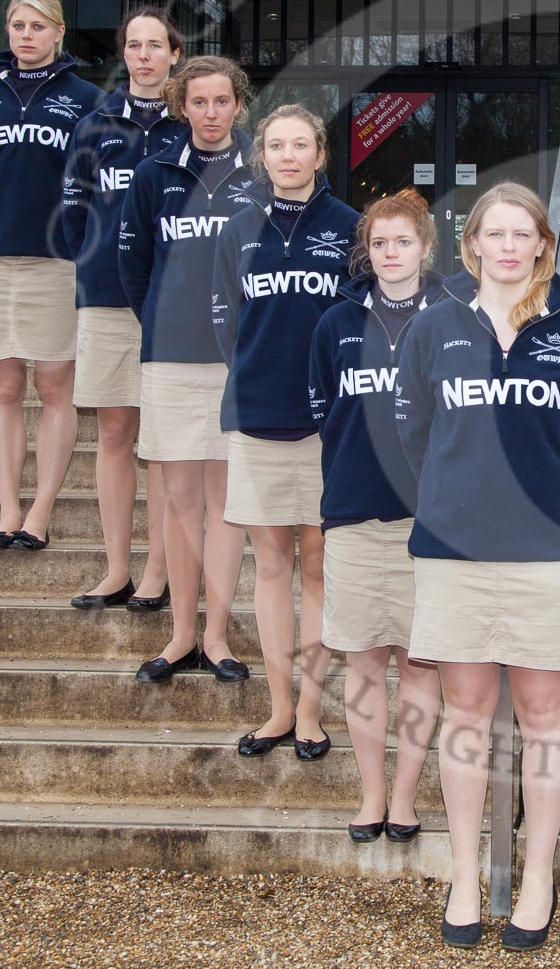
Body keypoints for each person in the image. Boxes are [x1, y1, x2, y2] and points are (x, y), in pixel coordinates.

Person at [394, 182, 560, 951]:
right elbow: (413, 431)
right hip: (453, 549)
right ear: (473, 245)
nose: (510, 247)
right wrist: (455, 496)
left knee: (544, 715)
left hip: (546, 551)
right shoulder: (436, 326)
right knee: (463, 713)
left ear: (545, 245)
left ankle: (539, 876)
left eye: (525, 234)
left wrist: (548, 499)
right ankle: (464, 875)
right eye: (497, 233)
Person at [209, 104, 359, 757]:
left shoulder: (351, 227)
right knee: (271, 565)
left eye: (301, 145)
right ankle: (277, 707)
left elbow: (362, 326)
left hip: (328, 427)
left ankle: (311, 711)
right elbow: (225, 321)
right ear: (261, 155)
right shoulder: (238, 227)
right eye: (277, 145)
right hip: (256, 416)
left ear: (320, 155)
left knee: (319, 567)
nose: (289, 156)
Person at [307, 188, 446, 842]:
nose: (391, 253)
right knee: (364, 664)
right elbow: (323, 411)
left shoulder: (453, 320)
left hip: (429, 522)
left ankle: (406, 797)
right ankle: (370, 795)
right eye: (380, 242)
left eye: (403, 242)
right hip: (355, 516)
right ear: (366, 249)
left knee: (420, 664)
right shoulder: (335, 324)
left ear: (425, 246)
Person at [118, 56, 256, 678]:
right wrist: (165, 316)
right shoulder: (155, 172)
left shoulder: (262, 171)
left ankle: (217, 637)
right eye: (198, 102)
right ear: (182, 106)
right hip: (171, 356)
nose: (210, 113)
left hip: (238, 361)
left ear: (238, 105)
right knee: (179, 499)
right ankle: (179, 637)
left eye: (221, 101)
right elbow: (133, 265)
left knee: (225, 502)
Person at [0, 0, 104, 551]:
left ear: (59, 32)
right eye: (18, 25)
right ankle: (7, 510)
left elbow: (94, 182)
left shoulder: (87, 99)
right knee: (4, 386)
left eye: (38, 26)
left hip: (57, 259)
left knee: (53, 384)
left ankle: (40, 511)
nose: (26, 35)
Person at [60, 8, 193, 610]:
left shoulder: (190, 127)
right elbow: (72, 216)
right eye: (134, 45)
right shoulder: (93, 125)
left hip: (172, 307)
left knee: (162, 443)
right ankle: (117, 568)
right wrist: (98, 259)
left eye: (155, 45)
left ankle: (158, 573)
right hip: (107, 299)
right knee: (114, 432)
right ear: (124, 54)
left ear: (174, 54)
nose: (144, 55)